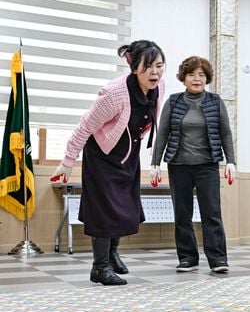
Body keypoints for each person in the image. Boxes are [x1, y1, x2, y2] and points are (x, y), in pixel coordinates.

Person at [50, 40, 166, 286]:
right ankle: (99, 267)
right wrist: (67, 161)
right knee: (105, 210)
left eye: (159, 65)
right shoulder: (113, 94)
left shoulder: (159, 87)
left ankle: (112, 254)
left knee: (125, 207)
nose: (155, 72)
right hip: (102, 157)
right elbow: (85, 127)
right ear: (134, 68)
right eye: (148, 67)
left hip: (128, 154)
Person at [150, 56, 235, 273]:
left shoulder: (215, 101)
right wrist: (155, 164)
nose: (196, 79)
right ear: (184, 77)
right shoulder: (174, 101)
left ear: (207, 78)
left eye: (201, 75)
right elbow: (162, 134)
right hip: (179, 165)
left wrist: (230, 162)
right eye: (191, 74)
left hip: (207, 165)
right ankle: (187, 258)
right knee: (182, 213)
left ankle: (217, 259)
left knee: (212, 212)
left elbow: (225, 132)